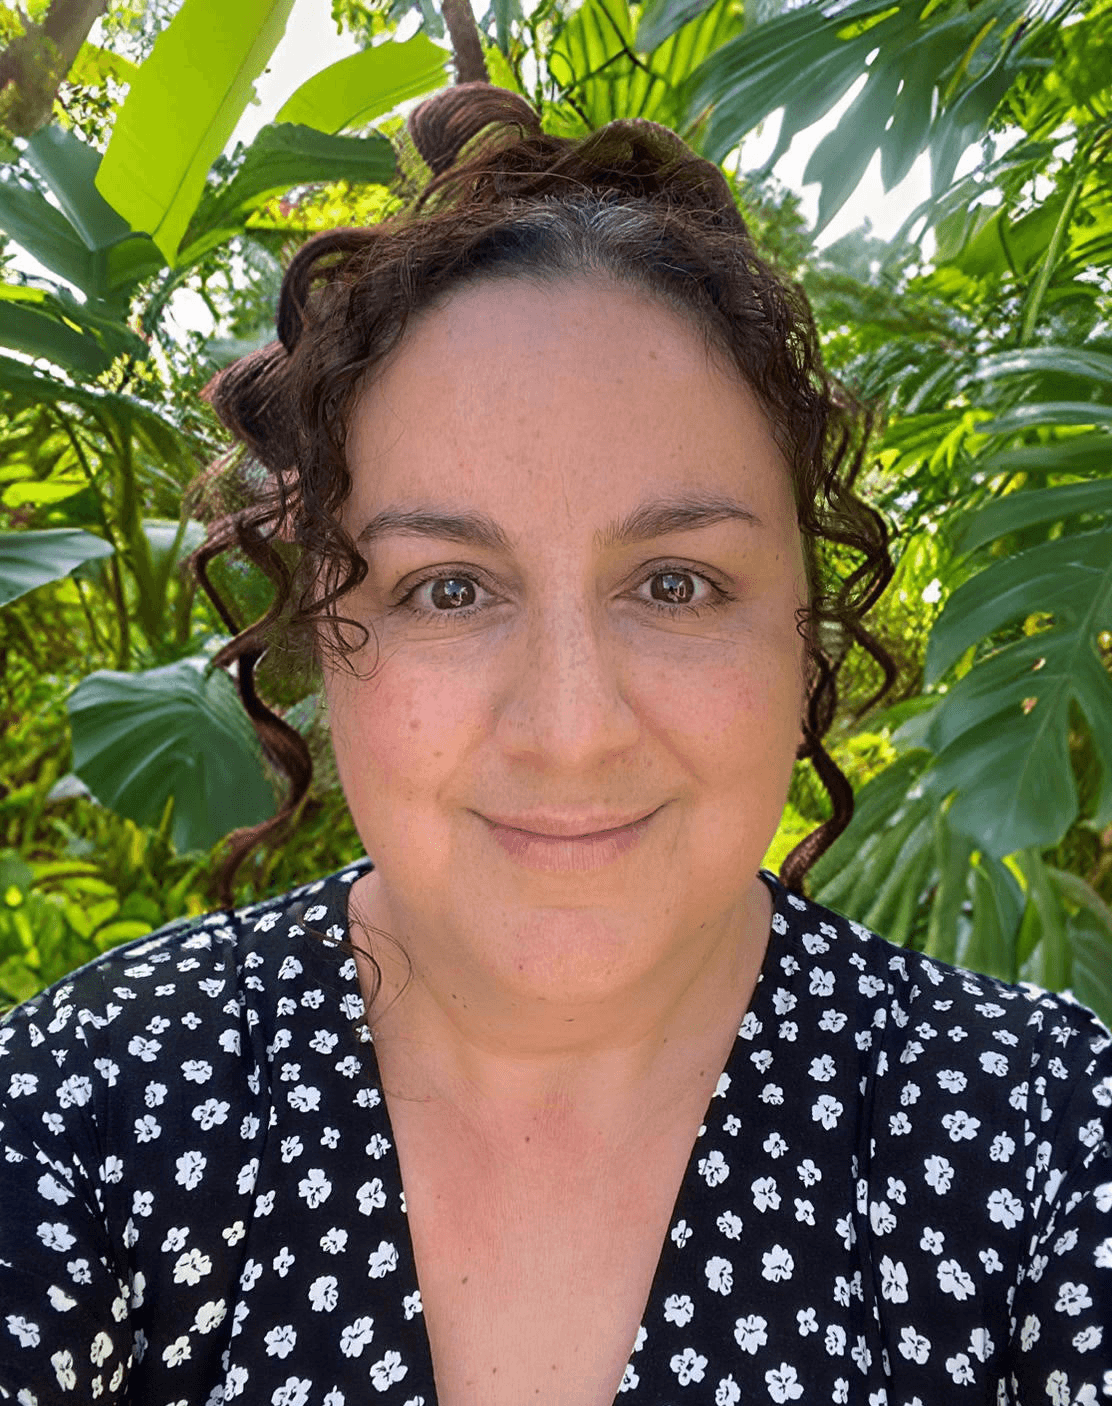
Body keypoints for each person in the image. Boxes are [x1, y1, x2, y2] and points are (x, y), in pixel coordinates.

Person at [1, 78, 1110, 1406]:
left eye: (677, 583)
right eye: (449, 588)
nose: (573, 730)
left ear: (803, 623)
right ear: (317, 630)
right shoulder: (83, 1113)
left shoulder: (1051, 1146)